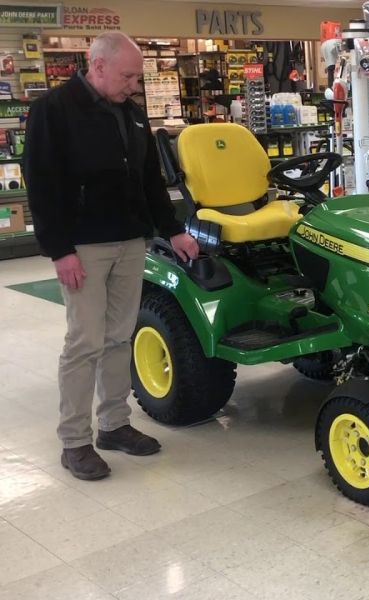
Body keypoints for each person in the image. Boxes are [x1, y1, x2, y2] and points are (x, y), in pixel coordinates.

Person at [23, 32, 199, 481]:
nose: (134, 85)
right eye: (127, 76)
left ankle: (115, 424)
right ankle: (74, 441)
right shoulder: (53, 112)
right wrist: (59, 250)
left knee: (120, 337)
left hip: (130, 242)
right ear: (96, 66)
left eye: (137, 77)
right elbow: (40, 186)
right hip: (82, 247)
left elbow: (150, 182)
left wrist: (173, 230)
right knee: (84, 343)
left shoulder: (132, 115)